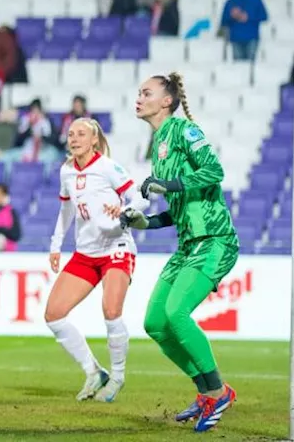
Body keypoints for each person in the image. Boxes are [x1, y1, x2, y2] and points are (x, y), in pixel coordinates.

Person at [120, 73, 239, 433]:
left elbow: (215, 171)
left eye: (146, 93)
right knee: (155, 322)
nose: (138, 98)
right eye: (138, 92)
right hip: (188, 244)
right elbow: (179, 207)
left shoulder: (185, 131)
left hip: (214, 239)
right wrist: (147, 224)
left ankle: (218, 392)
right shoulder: (158, 144)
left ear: (166, 101)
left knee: (176, 312)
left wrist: (168, 183)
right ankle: (205, 391)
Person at [45, 118, 145, 404]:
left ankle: (117, 376)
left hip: (116, 245)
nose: (74, 138)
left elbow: (140, 198)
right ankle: (93, 371)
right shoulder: (66, 171)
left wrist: (125, 209)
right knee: (54, 314)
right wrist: (56, 244)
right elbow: (65, 209)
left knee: (111, 310)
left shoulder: (107, 167)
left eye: (81, 134)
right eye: (71, 134)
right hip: (86, 252)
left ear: (93, 140)